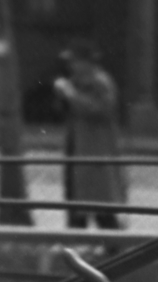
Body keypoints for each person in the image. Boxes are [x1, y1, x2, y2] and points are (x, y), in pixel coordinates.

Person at [53, 41, 126, 230]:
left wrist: (70, 94)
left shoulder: (101, 82)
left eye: (75, 61)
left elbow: (102, 109)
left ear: (87, 62)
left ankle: (117, 254)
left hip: (95, 157)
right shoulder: (74, 83)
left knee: (103, 213)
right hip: (76, 155)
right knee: (76, 211)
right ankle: (74, 254)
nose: (71, 66)